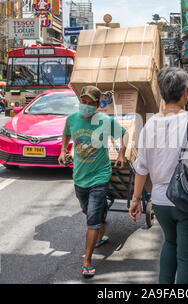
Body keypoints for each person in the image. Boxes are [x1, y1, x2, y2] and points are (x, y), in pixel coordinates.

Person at [128, 67, 188, 284]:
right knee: (186, 256)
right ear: (184, 94)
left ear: (162, 94)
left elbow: (141, 167)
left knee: (170, 244)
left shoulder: (150, 123)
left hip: (161, 201)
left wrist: (136, 199)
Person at [58, 86, 127, 279]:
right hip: (80, 176)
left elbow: (123, 134)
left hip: (100, 175)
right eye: (83, 102)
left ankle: (87, 261)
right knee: (87, 210)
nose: (85, 106)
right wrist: (63, 150)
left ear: (98, 105)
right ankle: (100, 218)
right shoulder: (72, 119)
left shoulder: (105, 121)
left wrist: (121, 153)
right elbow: (66, 133)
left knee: (92, 219)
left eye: (90, 103)